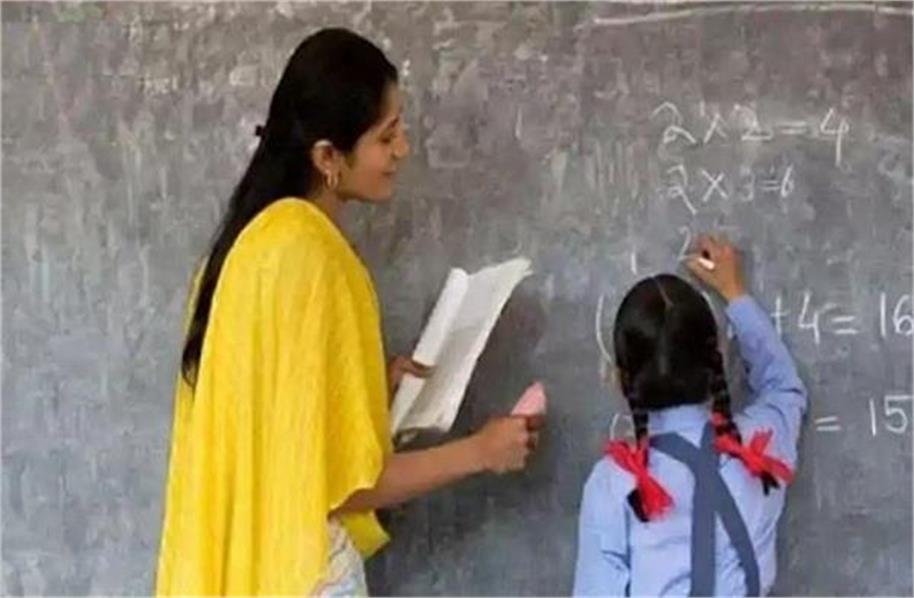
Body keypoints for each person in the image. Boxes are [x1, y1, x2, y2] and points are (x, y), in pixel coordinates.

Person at [156, 28, 543, 596]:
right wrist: (482, 451)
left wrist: (362, 395)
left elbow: (275, 433)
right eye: (387, 137)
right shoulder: (318, 258)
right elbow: (349, 485)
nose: (403, 149)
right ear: (327, 158)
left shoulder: (241, 251)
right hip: (305, 573)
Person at [573, 234, 807, 596]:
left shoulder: (613, 486)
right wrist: (735, 293)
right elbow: (784, 387)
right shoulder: (761, 447)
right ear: (716, 359)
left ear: (622, 379)